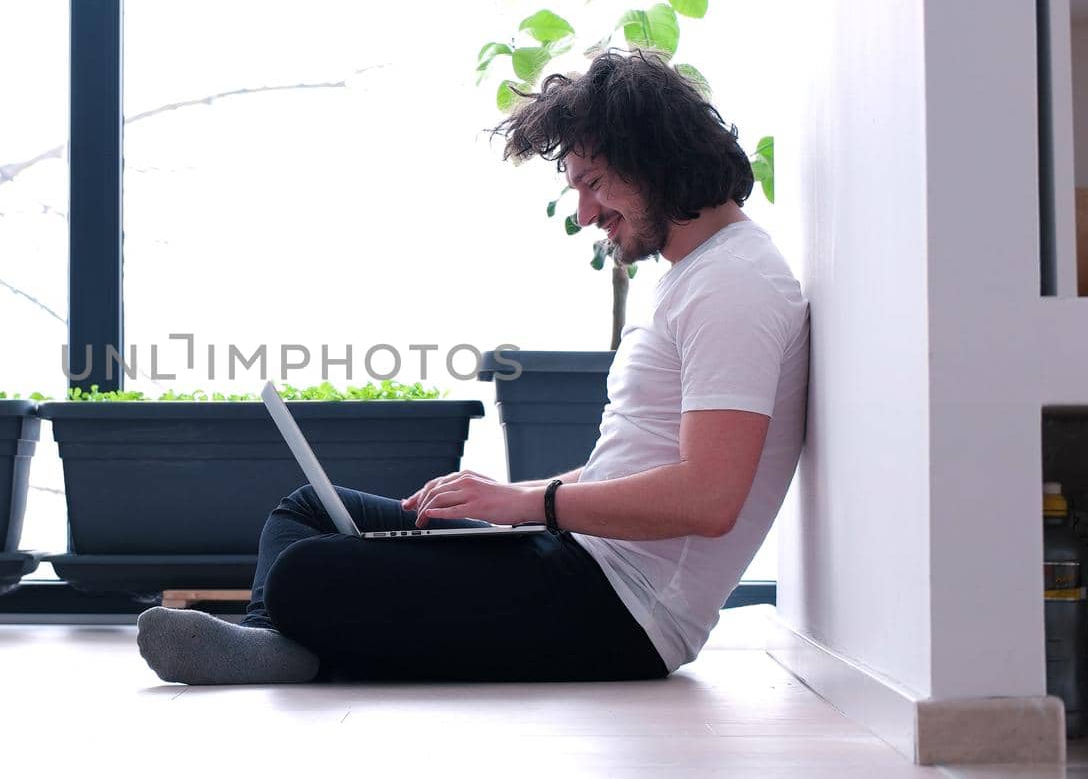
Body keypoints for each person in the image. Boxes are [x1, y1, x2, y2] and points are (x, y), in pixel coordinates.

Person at [135, 49, 811, 684]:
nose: (583, 213)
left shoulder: (735, 284)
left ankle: (286, 637)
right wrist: (508, 502)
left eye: (594, 183)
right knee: (310, 511)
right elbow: (636, 463)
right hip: (580, 562)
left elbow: (708, 499)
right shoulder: (697, 275)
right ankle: (273, 646)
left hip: (622, 612)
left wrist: (528, 505)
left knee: (307, 574)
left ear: (651, 157)